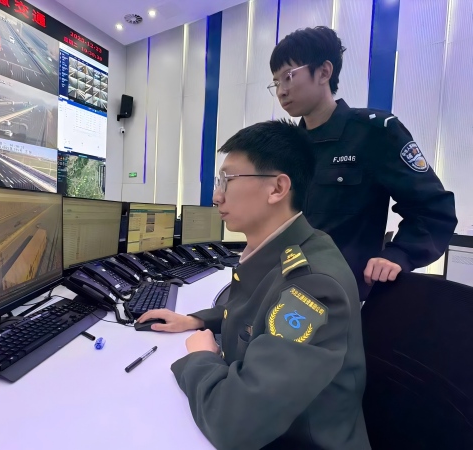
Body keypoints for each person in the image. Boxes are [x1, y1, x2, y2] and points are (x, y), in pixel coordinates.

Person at [138, 120, 370, 449]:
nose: (216, 196)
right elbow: (257, 309)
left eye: (227, 180)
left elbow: (233, 424)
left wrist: (201, 357)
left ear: (277, 188)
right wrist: (197, 320)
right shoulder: (292, 248)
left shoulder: (313, 286)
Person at [269, 26, 457, 300]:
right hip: (285, 291)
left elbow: (433, 209)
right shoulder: (287, 146)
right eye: (276, 83)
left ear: (324, 72)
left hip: (344, 299)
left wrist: (399, 254)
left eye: (288, 77)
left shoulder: (374, 132)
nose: (281, 91)